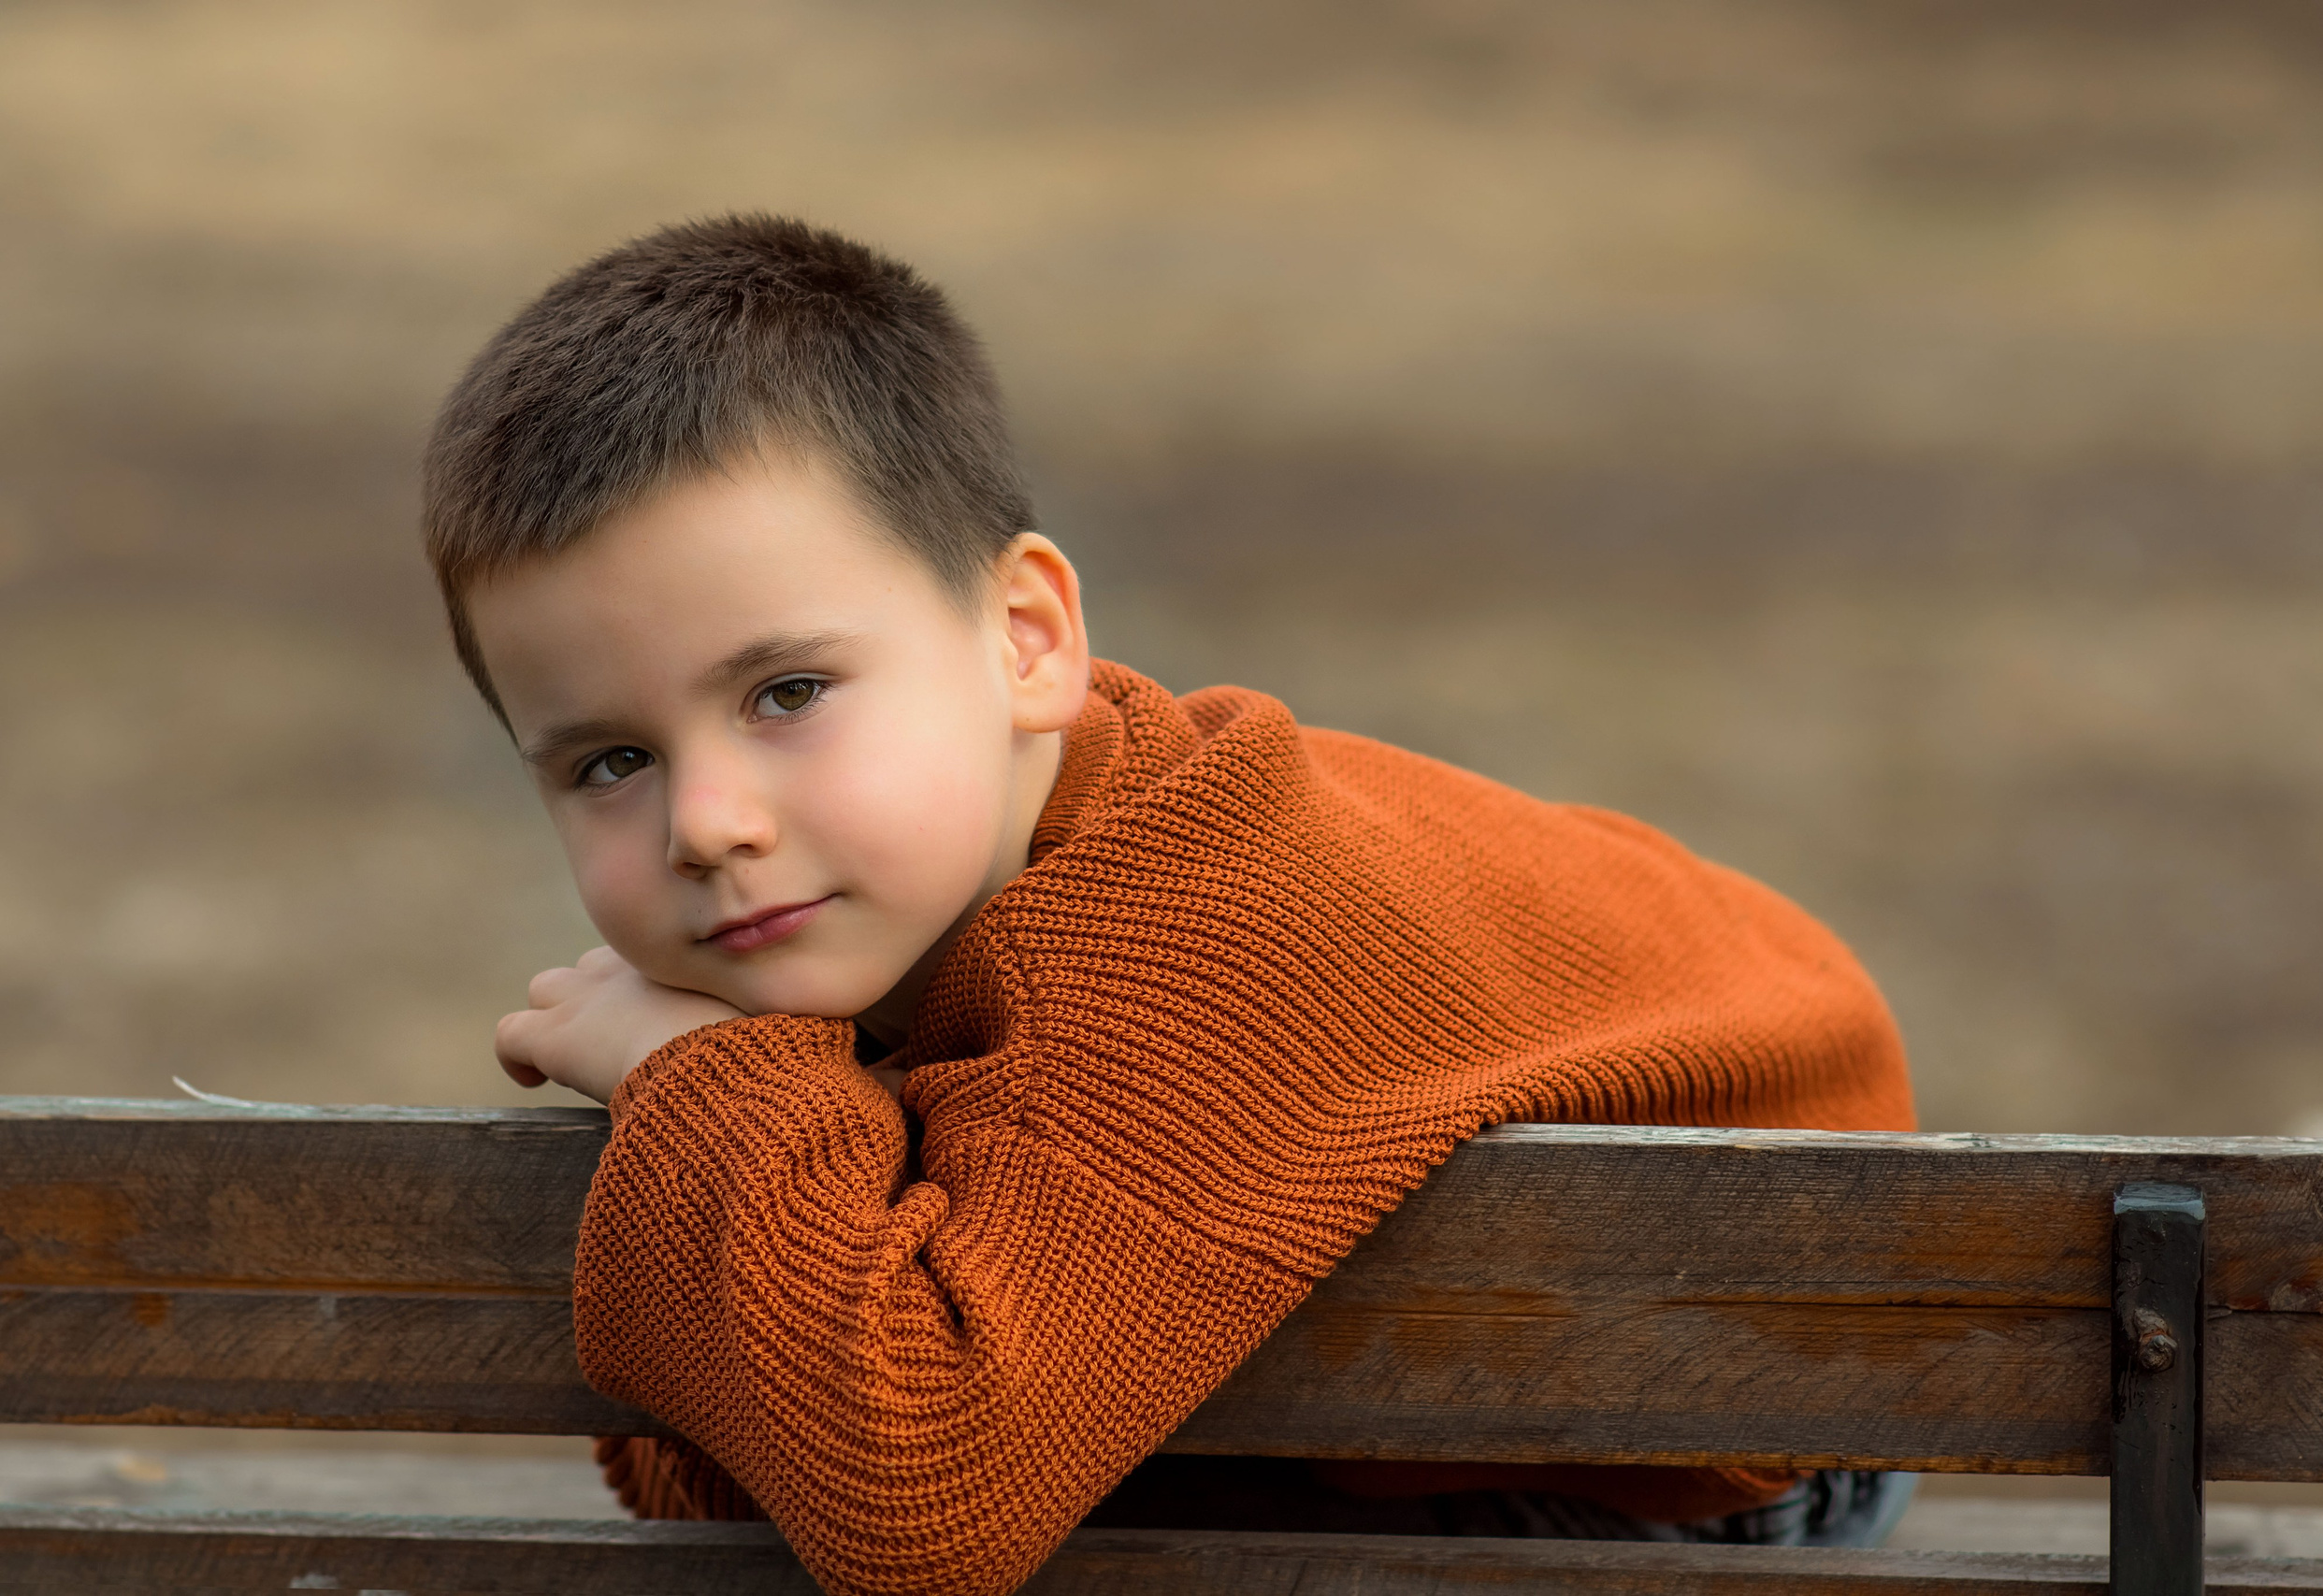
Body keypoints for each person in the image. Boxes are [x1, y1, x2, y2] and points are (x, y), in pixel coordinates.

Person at [422, 214, 1917, 1596]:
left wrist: (702, 1082)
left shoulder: (1200, 911)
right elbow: (732, 1487)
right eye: (610, 761)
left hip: (1746, 1423)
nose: (708, 824)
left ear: (1026, 642)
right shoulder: (898, 923)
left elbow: (908, 1495)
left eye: (787, 692)